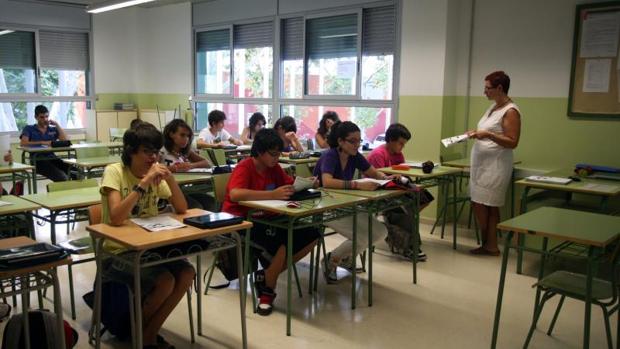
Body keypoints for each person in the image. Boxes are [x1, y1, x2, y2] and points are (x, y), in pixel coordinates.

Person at [100, 123, 193, 348]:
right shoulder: (115, 172)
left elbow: (181, 208)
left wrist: (170, 178)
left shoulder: (156, 174)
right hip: (117, 252)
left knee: (187, 272)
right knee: (165, 280)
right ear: (131, 151)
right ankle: (144, 335)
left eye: (156, 152)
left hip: (147, 247)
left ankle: (145, 332)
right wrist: (142, 184)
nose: (153, 158)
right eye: (147, 152)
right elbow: (115, 217)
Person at [221, 128, 319, 316]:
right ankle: (267, 291)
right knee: (283, 238)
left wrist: (306, 183)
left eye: (279, 154)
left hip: (266, 218)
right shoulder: (246, 166)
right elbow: (235, 194)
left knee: (312, 233)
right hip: (240, 221)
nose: (277, 158)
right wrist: (272, 195)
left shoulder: (274, 168)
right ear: (259, 152)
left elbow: (288, 183)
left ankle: (266, 277)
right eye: (273, 154)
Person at [313, 121, 394, 283]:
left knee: (380, 232)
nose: (357, 145)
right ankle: (332, 260)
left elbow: (373, 172)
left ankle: (345, 257)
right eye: (352, 141)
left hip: (345, 205)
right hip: (324, 207)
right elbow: (327, 182)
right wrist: (357, 185)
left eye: (359, 140)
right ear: (341, 141)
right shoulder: (330, 155)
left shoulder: (355, 156)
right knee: (363, 237)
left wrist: (387, 179)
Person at [467, 71, 521, 256]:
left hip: (496, 167)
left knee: (489, 204)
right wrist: (475, 133)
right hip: (481, 166)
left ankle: (490, 246)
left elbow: (512, 141)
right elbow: (488, 131)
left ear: (500, 88)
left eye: (488, 88)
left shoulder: (511, 110)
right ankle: (488, 244)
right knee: (479, 203)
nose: (485, 92)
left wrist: (488, 134)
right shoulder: (493, 108)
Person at [367, 123, 432, 261]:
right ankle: (405, 240)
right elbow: (376, 179)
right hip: (379, 192)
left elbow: (402, 171)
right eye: (400, 143)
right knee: (405, 208)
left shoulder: (398, 154)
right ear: (390, 140)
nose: (402, 147)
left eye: (404, 144)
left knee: (424, 196)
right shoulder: (377, 154)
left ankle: (396, 224)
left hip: (396, 189)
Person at [160, 119, 215, 210]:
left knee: (211, 202)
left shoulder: (185, 151)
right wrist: (173, 168)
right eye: (182, 135)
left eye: (188, 136)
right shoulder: (162, 150)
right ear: (171, 134)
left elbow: (207, 163)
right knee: (196, 207)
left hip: (183, 189)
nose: (186, 139)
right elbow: (152, 169)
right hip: (167, 191)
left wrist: (191, 165)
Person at [20, 105, 72, 182]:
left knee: (75, 172)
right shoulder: (29, 128)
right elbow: (23, 143)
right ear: (36, 117)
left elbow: (65, 140)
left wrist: (57, 125)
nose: (45, 119)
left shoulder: (52, 129)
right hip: (38, 161)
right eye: (42, 117)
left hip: (52, 158)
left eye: (46, 116)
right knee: (62, 177)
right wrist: (42, 142)